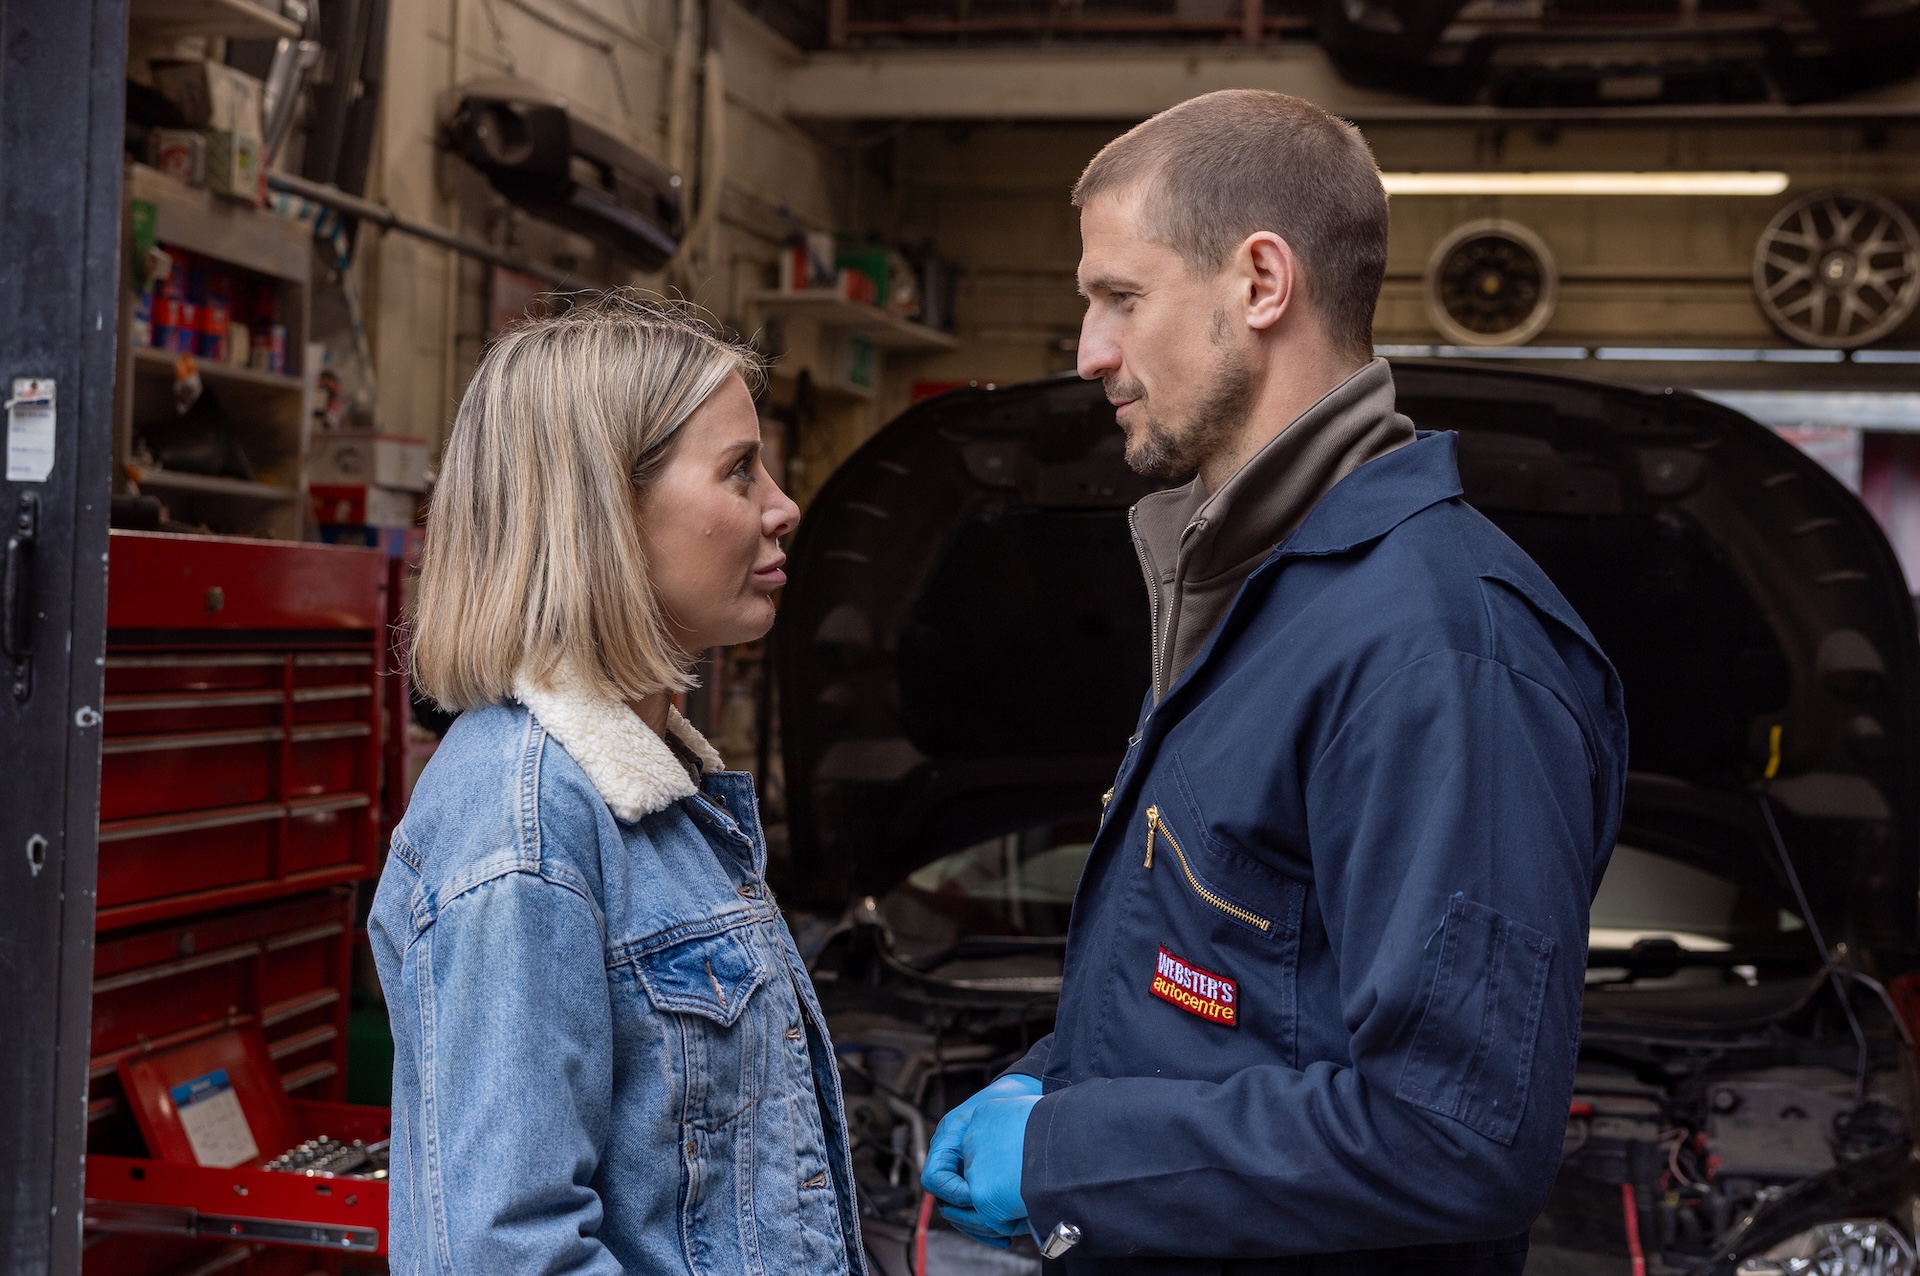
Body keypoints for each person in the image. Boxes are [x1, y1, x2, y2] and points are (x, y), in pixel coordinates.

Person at [922, 90, 1628, 1273]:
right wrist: (1049, 1083)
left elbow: (1453, 1134)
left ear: (1260, 282)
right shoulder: (1257, 592)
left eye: (1119, 298)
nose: (1089, 350)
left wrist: (1065, 1156)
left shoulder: (1441, 651)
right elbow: (1249, 988)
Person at [369, 295, 865, 1274]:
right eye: (738, 469)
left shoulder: (657, 788)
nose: (783, 505)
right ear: (601, 509)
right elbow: (507, 1251)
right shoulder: (524, 821)